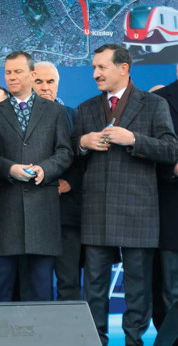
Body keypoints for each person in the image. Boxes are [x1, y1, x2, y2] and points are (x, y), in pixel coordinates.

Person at [73, 44, 178, 346]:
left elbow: (171, 149)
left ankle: (134, 341)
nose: (95, 73)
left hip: (139, 209)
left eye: (101, 67)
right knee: (93, 285)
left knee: (138, 286)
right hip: (96, 209)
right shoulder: (86, 109)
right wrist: (83, 142)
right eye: (93, 67)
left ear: (124, 68)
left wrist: (134, 139)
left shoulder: (154, 104)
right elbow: (71, 156)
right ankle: (96, 340)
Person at [0, 51, 72, 303]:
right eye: (8, 72)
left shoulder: (55, 112)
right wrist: (9, 169)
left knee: (41, 287)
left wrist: (46, 169)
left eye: (18, 72)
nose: (12, 77)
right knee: (1, 285)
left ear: (32, 74)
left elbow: (65, 151)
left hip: (43, 210)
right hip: (5, 211)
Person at [32, 61, 84, 300]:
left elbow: (85, 158)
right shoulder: (20, 117)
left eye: (50, 82)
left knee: (69, 280)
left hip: (67, 213)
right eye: (39, 81)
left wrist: (70, 182)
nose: (45, 87)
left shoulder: (74, 116)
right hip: (32, 211)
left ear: (58, 84)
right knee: (34, 282)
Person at [153, 64, 178, 334]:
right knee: (172, 289)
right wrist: (171, 168)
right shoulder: (160, 101)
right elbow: (149, 149)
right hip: (172, 210)